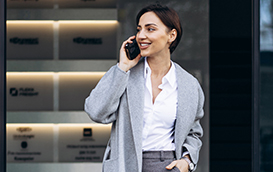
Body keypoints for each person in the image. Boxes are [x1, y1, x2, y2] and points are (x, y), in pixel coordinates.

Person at [84, 4, 204, 172]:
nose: (141, 36)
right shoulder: (124, 73)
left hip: (168, 166)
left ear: (172, 35)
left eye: (150, 29)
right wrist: (123, 67)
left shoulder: (189, 85)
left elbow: (194, 133)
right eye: (139, 29)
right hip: (126, 165)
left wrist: (187, 160)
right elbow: (96, 112)